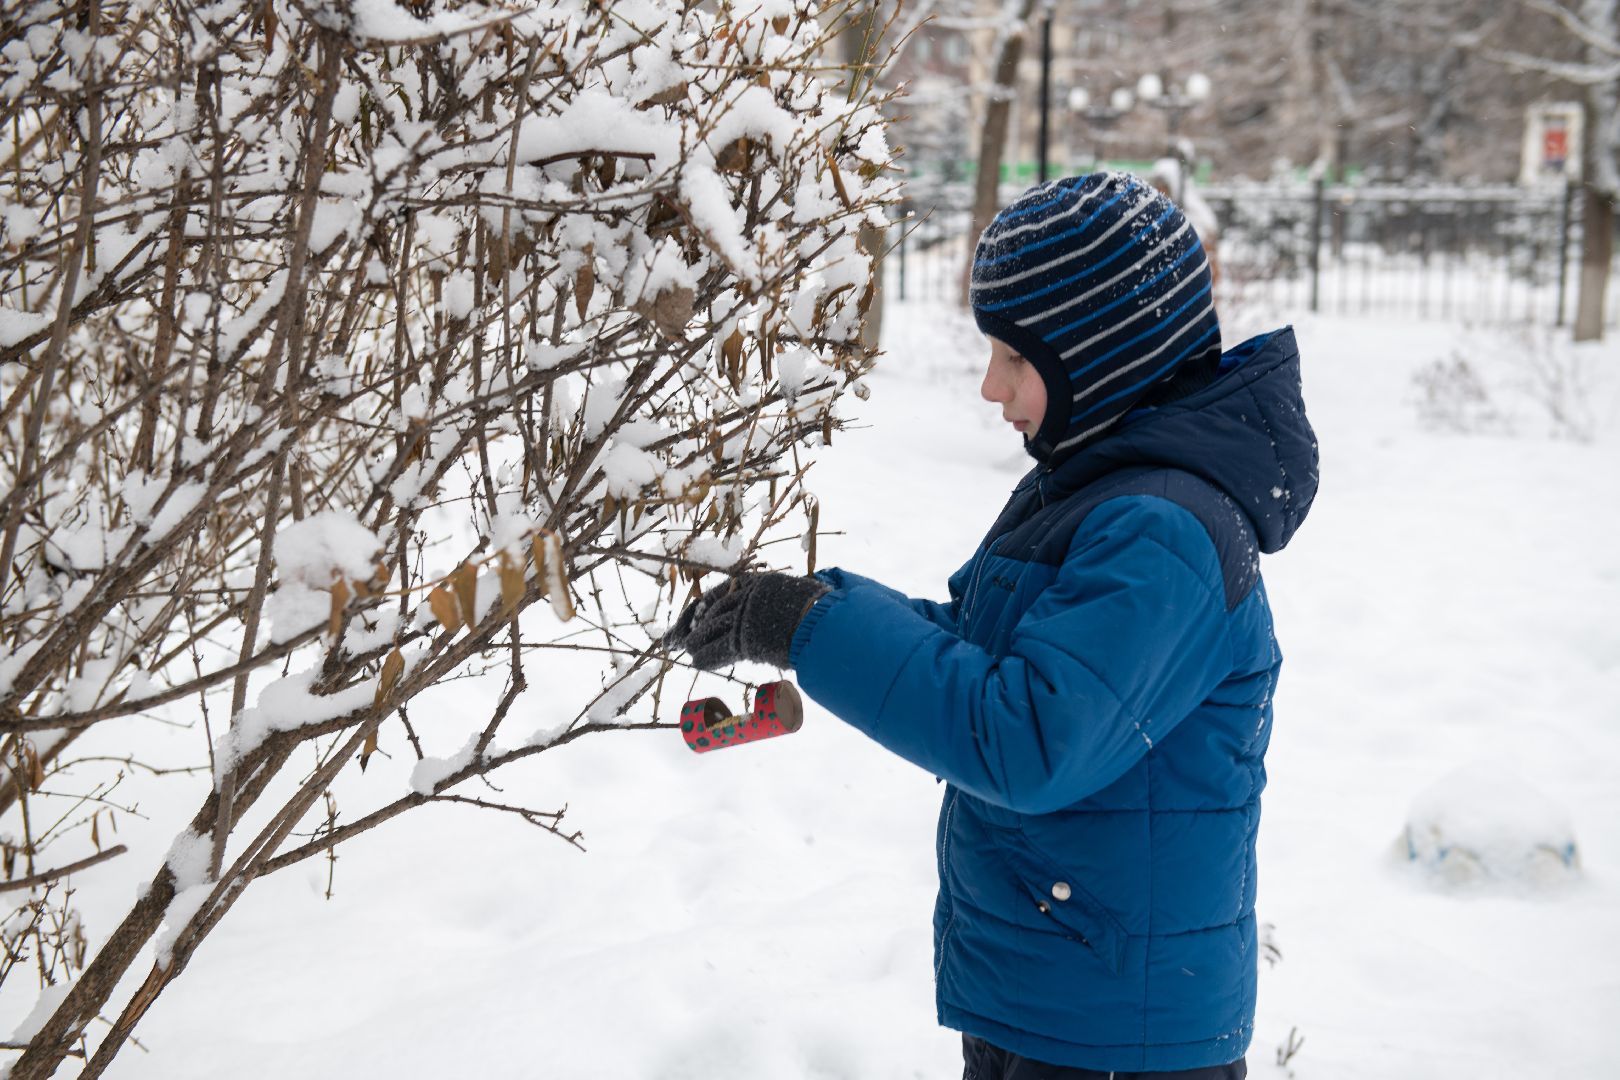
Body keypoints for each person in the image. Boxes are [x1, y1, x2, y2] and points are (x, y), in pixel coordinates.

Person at [667, 171, 1318, 1080]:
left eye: (1014, 358)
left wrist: (810, 629)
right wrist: (798, 610)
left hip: (1113, 1035)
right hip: (1061, 994)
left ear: (1101, 358)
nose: (987, 386)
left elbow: (1030, 737)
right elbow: (992, 650)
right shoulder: (1104, 494)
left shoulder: (1162, 532)